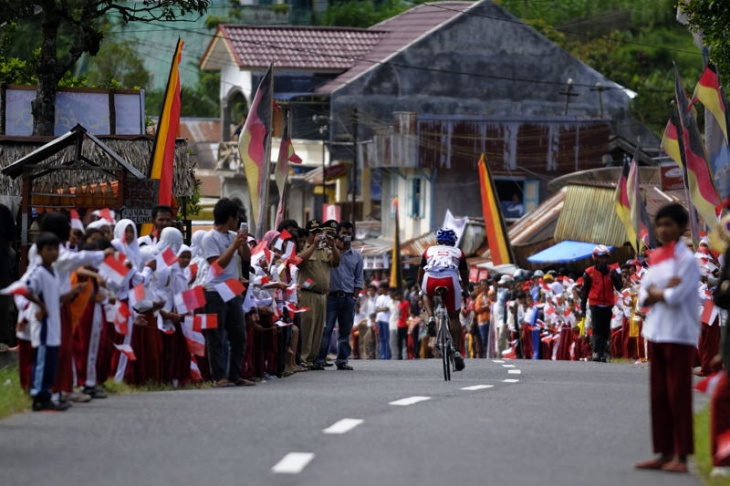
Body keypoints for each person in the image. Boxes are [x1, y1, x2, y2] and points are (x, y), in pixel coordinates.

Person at [635, 203, 699, 474]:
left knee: (679, 395)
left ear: (682, 228)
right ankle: (663, 451)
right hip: (656, 332)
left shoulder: (688, 260)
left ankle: (682, 456)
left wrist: (658, 292)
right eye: (659, 224)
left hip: (679, 335)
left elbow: (676, 296)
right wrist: (660, 291)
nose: (662, 230)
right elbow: (642, 298)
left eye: (668, 224)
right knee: (659, 395)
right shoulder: (657, 258)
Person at [201, 198, 251, 387]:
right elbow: (216, 266)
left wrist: (243, 243)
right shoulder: (210, 238)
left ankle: (234, 374)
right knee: (215, 335)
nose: (238, 221)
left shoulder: (233, 236)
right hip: (214, 290)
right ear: (229, 217)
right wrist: (233, 246)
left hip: (232, 288)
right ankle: (219, 376)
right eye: (236, 217)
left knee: (239, 335)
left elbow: (246, 258)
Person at [21, 233, 71, 411]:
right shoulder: (38, 271)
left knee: (51, 363)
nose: (53, 253)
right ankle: (38, 395)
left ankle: (47, 393)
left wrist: (74, 292)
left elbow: (56, 298)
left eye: (56, 249)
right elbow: (25, 289)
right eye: (48, 249)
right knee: (42, 361)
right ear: (40, 252)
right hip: (43, 326)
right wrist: (40, 306)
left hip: (54, 326)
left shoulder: (54, 273)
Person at [417, 227, 469, 371]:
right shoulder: (459, 252)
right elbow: (464, 275)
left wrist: (419, 285)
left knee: (426, 293)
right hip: (450, 278)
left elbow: (421, 271)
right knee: (454, 317)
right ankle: (457, 351)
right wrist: (466, 289)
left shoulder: (429, 251)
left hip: (430, 278)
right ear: (453, 241)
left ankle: (431, 317)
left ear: (437, 240)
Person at [315, 221, 362, 371]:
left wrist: (354, 297)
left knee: (345, 331)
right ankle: (320, 359)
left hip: (348, 297)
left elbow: (358, 279)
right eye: (343, 233)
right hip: (331, 297)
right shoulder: (328, 252)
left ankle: (342, 360)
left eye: (349, 233)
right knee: (326, 329)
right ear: (338, 234)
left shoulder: (357, 255)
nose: (346, 236)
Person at [297, 219, 340, 369]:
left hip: (322, 295)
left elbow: (336, 262)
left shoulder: (324, 250)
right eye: (313, 233)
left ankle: (313, 358)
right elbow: (298, 262)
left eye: (318, 233)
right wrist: (313, 246)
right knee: (307, 326)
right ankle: (303, 358)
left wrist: (333, 246)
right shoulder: (304, 247)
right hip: (308, 294)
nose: (317, 235)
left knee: (318, 329)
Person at [580, 244, 622, 362]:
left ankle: (603, 352)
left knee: (605, 329)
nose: (603, 260)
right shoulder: (589, 272)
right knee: (597, 328)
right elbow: (584, 291)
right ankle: (596, 352)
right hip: (595, 304)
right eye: (601, 257)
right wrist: (582, 307)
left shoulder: (611, 271)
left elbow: (619, 287)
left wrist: (616, 278)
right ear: (595, 258)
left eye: (605, 257)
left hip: (608, 304)